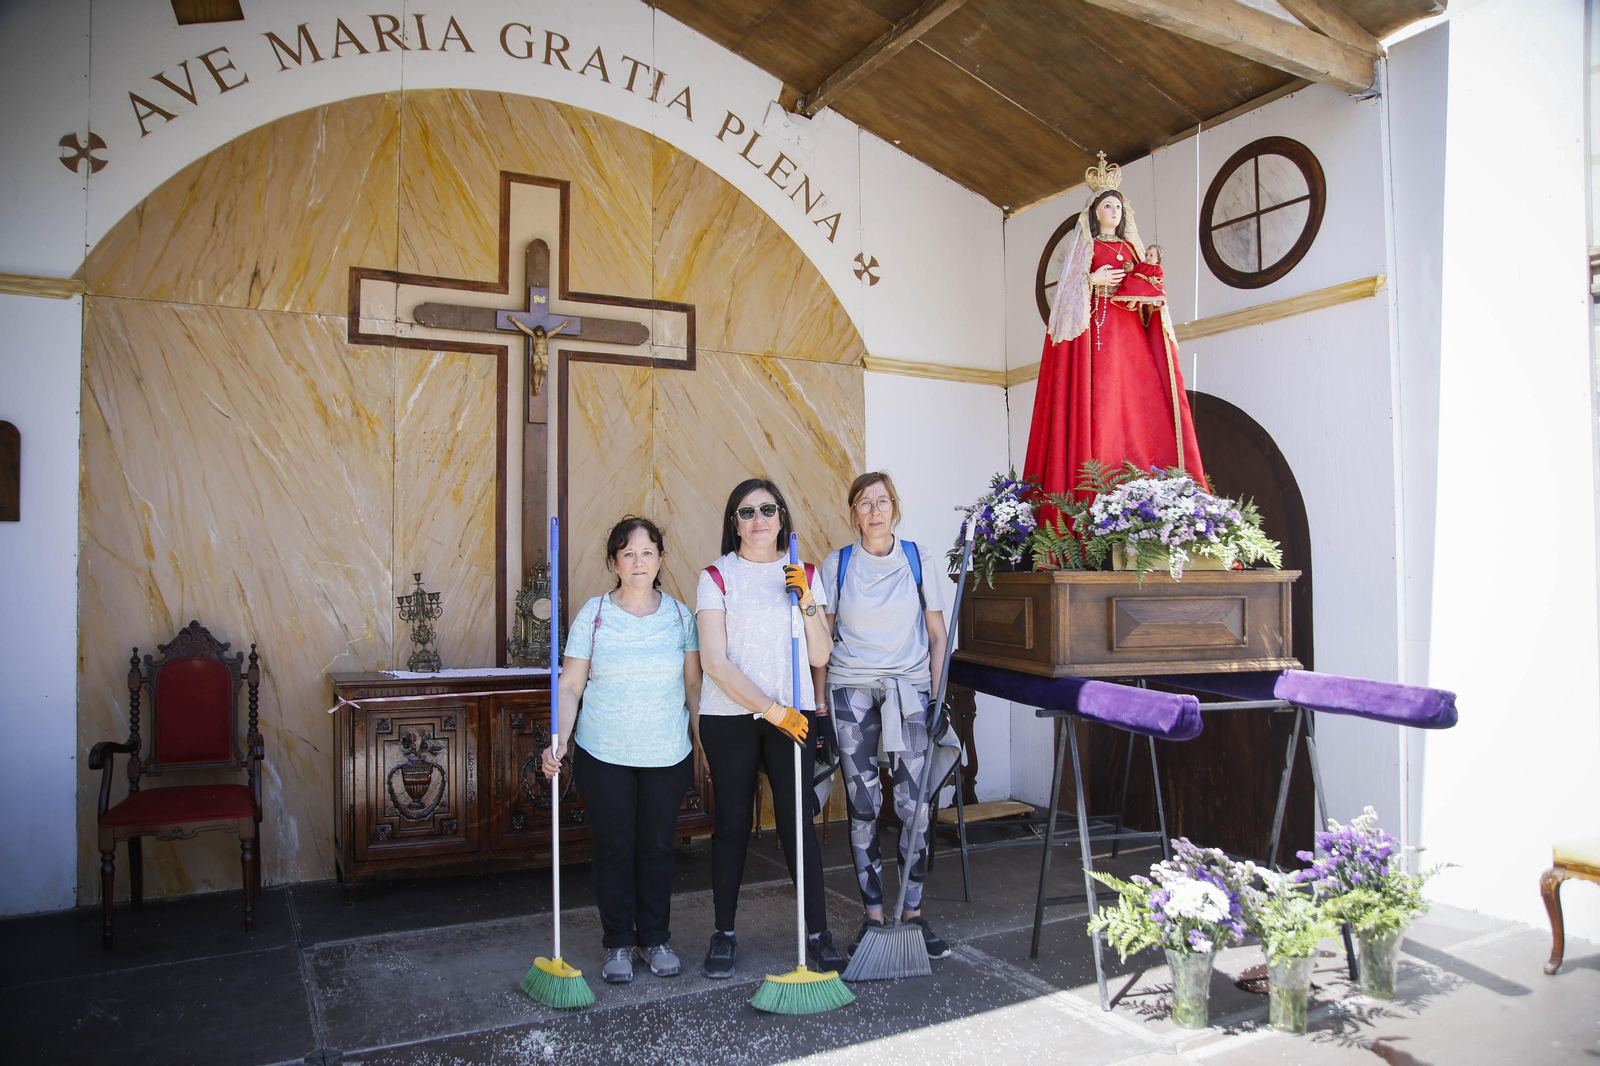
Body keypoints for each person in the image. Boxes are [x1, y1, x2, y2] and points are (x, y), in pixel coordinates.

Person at [694, 478, 849, 978]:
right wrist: (770, 709)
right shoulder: (716, 577)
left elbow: (822, 654)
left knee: (796, 827)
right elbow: (715, 663)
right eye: (746, 512)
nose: (757, 520)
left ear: (782, 516)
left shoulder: (804, 572)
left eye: (767, 509)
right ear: (733, 522)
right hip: (731, 717)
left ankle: (819, 935)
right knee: (734, 827)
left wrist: (805, 602)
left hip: (793, 718)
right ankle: (724, 933)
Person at [541, 516, 701, 985]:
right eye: (628, 553)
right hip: (603, 753)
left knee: (656, 848)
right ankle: (616, 943)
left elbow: (693, 685)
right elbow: (570, 685)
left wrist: (701, 741)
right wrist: (560, 739)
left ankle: (654, 938)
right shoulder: (593, 615)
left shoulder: (680, 616)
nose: (638, 561)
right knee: (614, 849)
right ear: (613, 562)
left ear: (661, 560)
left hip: (666, 754)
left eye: (647, 552)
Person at [821, 472, 957, 961]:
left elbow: (939, 636)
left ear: (894, 508)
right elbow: (823, 644)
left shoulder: (917, 559)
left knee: (914, 807)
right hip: (851, 692)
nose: (874, 510)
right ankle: (874, 915)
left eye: (882, 501)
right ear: (853, 513)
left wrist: (939, 699)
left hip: (910, 691)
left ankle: (913, 915)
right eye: (864, 502)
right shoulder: (838, 565)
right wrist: (818, 708)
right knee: (861, 805)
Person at [1025, 152, 1206, 502]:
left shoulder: (1129, 247)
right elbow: (1065, 296)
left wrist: (1149, 273)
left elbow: (1141, 288)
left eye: (1118, 207)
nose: (1115, 212)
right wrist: (1093, 279)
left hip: (1128, 331)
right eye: (1108, 206)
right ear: (1095, 212)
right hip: (1098, 330)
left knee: (1135, 395)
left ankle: (1145, 471)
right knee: (1102, 397)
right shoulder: (1086, 248)